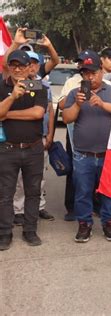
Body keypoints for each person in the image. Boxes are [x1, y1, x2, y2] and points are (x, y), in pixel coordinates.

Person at [62, 50, 111, 243]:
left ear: (101, 71)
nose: (90, 76)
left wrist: (103, 104)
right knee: (82, 192)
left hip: (108, 154)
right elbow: (67, 118)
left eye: (93, 72)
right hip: (83, 155)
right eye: (86, 73)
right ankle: (84, 225)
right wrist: (77, 105)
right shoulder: (74, 93)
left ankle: (109, 223)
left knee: (109, 192)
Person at [0, 50, 48, 250]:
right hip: (8, 150)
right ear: (8, 67)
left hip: (34, 149)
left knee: (33, 192)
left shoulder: (39, 88)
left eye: (21, 65)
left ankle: (30, 230)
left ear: (30, 68)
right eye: (13, 65)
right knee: (5, 194)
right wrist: (11, 97)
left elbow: (37, 113)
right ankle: (4, 232)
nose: (17, 69)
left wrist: (6, 114)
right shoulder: (2, 87)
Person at [13, 51, 55, 226]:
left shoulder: (44, 86)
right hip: (19, 141)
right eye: (27, 63)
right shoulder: (15, 85)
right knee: (19, 181)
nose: (31, 66)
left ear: (38, 65)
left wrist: (51, 133)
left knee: (39, 178)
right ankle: (19, 210)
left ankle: (39, 207)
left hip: (41, 138)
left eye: (34, 63)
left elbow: (50, 110)